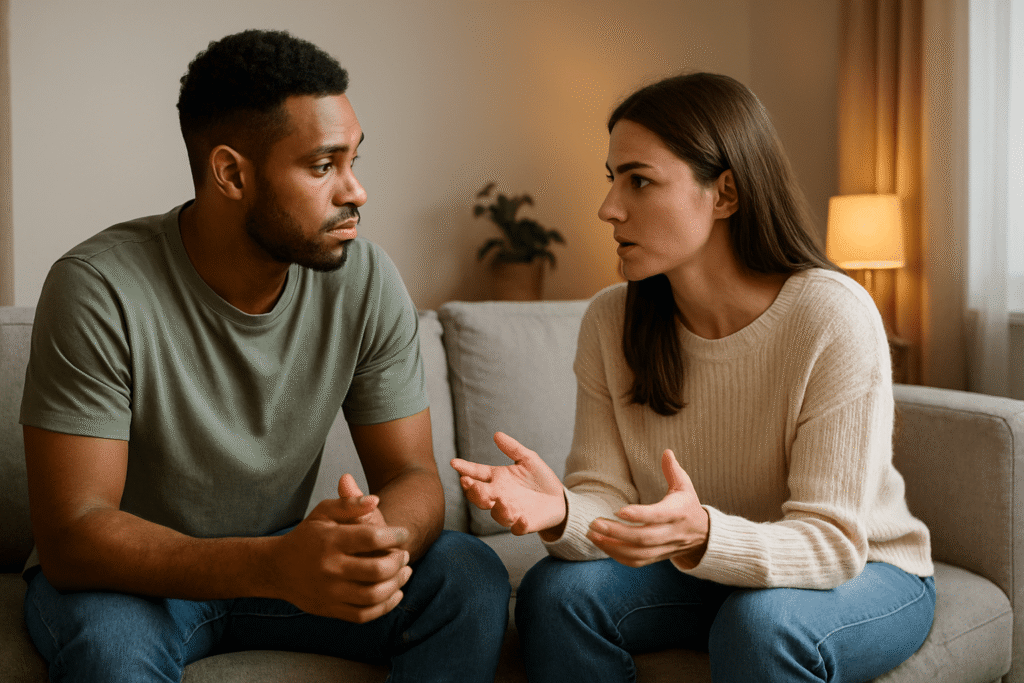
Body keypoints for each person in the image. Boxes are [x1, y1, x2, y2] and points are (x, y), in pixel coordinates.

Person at [21, 29, 509, 683]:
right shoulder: (97, 287)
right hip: (132, 581)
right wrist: (272, 564)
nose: (356, 191)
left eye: (354, 160)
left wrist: (370, 545)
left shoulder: (364, 279)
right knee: (112, 652)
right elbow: (74, 535)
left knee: (467, 574)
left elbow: (413, 476)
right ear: (231, 173)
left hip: (285, 569)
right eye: (322, 166)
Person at [452, 72, 935, 683]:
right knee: (555, 592)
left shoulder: (831, 314)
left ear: (725, 193)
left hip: (868, 569)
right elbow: (609, 503)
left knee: (762, 624)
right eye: (612, 179)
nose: (608, 208)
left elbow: (831, 543)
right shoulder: (611, 319)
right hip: (702, 566)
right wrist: (561, 511)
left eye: (640, 180)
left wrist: (703, 534)